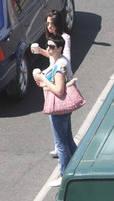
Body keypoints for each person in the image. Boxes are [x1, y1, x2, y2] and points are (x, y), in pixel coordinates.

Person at [33, 35, 78, 187]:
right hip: (63, 107)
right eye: (48, 46)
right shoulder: (60, 61)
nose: (48, 49)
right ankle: (77, 164)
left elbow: (59, 91)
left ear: (59, 48)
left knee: (61, 143)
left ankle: (64, 174)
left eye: (52, 47)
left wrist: (42, 79)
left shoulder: (60, 66)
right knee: (67, 138)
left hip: (58, 107)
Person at [35, 10, 71, 159]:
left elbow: (62, 60)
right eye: (48, 23)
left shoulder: (63, 39)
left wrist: (44, 77)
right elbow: (52, 57)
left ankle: (62, 163)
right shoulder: (52, 40)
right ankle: (61, 145)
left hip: (57, 80)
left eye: (52, 24)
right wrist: (40, 51)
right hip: (51, 79)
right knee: (62, 125)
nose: (49, 26)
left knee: (57, 118)